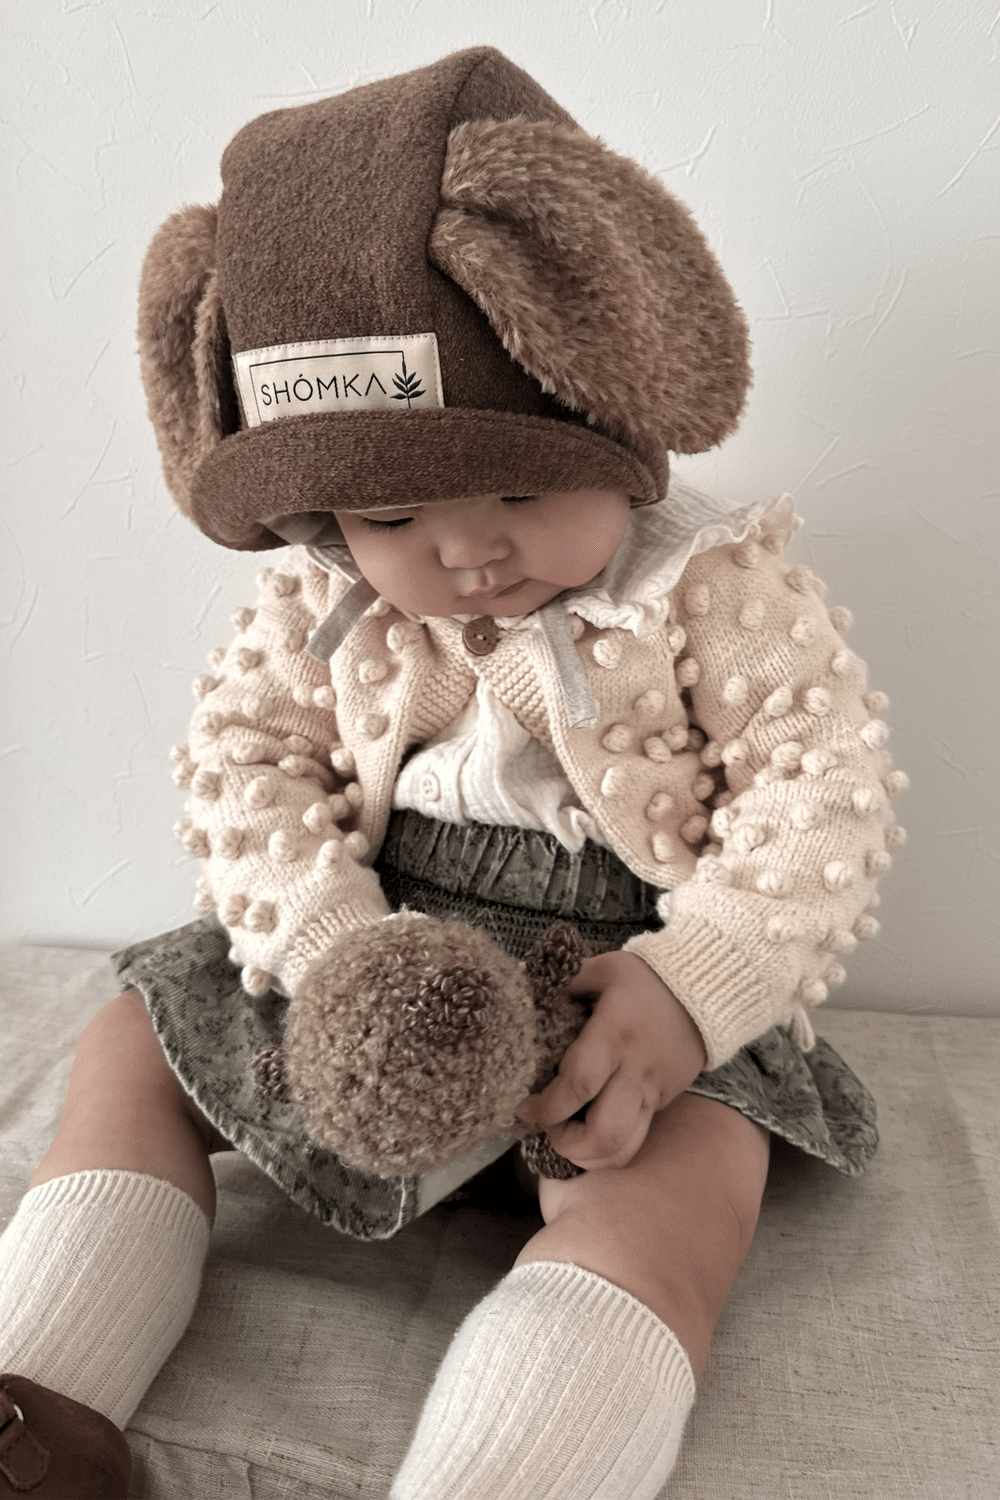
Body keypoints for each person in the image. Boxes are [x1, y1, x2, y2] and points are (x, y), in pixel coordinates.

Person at [0, 47, 902, 1500]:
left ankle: (511, 1465)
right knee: (128, 1045)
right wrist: (328, 952)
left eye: (524, 487)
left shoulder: (714, 587)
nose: (469, 549)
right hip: (371, 958)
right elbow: (245, 768)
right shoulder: (318, 601)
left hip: (617, 983)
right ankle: (37, 1398)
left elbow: (819, 794)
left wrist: (696, 991)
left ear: (616, 426)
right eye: (395, 512)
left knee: (688, 1187)